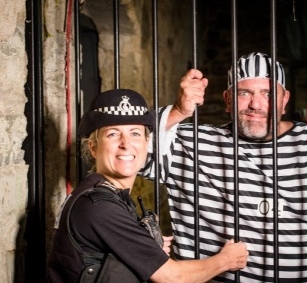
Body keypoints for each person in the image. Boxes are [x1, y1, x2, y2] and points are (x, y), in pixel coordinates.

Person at [141, 52, 307, 282]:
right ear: (228, 100)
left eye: (268, 93)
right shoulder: (192, 143)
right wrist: (177, 111)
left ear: (284, 100)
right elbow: (122, 149)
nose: (255, 104)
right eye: (244, 93)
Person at [46, 89, 248, 283]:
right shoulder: (99, 206)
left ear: (146, 144)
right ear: (93, 147)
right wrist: (226, 260)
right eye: (113, 134)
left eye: (135, 133)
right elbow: (174, 278)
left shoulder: (109, 195)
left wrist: (148, 253)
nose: (126, 143)